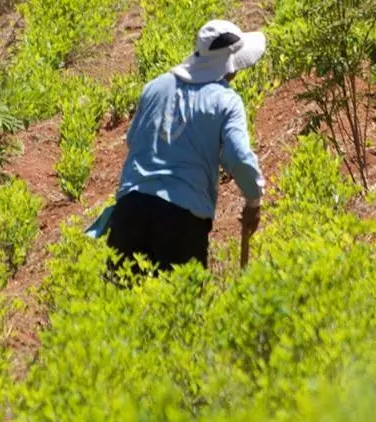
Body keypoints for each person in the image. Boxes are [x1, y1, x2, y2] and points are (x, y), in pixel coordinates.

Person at [105, 19, 266, 274]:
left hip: (129, 211)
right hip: (181, 220)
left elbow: (133, 140)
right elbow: (239, 157)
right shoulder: (226, 101)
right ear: (229, 65)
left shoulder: (154, 87)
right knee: (178, 309)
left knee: (121, 306)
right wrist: (253, 201)